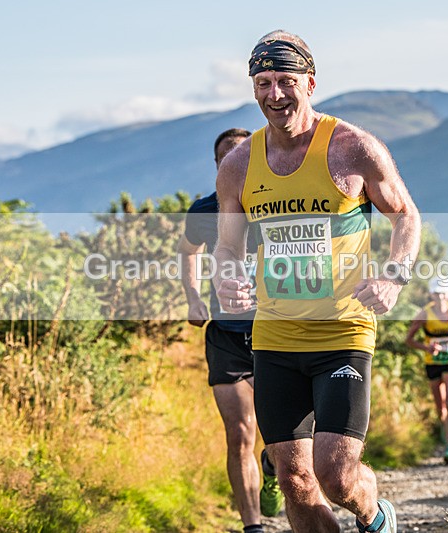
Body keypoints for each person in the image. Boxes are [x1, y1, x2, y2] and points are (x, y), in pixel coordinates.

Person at [213, 30, 421, 533]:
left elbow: (405, 216)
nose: (275, 94)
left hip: (342, 332)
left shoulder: (353, 148)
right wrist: (224, 277)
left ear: (310, 83)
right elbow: (227, 247)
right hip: (275, 336)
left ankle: (375, 515)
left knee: (336, 474)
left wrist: (394, 275)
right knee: (293, 479)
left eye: (286, 81)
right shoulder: (238, 165)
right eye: (264, 83)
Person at [180, 128, 283, 533]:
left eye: (244, 154)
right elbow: (188, 251)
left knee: (282, 436)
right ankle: (253, 526)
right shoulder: (204, 210)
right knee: (240, 433)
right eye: (227, 157)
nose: (235, 162)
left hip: (276, 330)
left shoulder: (278, 201)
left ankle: (274, 466)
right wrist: (193, 297)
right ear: (217, 165)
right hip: (226, 334)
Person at [405, 277, 448, 464]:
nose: (441, 296)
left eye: (443, 293)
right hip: (433, 362)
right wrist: (426, 348)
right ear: (431, 294)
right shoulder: (424, 314)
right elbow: (409, 340)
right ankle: (447, 433)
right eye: (437, 293)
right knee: (441, 407)